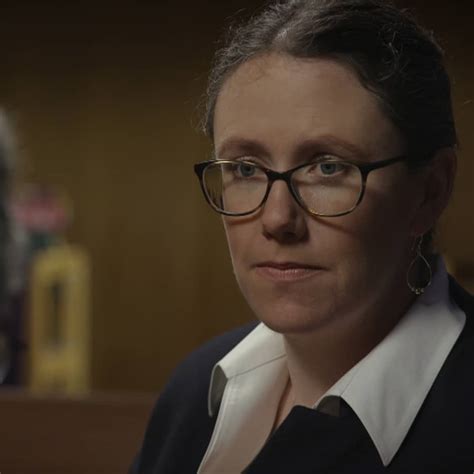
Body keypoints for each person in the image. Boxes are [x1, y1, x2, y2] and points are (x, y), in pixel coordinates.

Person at [131, 0, 473, 472]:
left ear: (430, 191)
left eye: (327, 168)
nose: (277, 219)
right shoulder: (193, 391)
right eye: (245, 168)